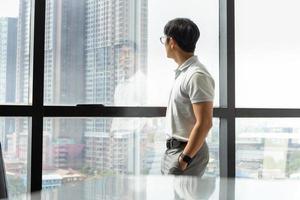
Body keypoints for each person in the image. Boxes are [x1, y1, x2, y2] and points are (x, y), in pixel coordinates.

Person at [160, 18, 215, 176]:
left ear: (172, 42)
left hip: (187, 152)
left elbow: (205, 122)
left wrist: (185, 159)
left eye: (164, 39)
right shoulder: (184, 73)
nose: (164, 44)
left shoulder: (196, 75)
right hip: (176, 150)